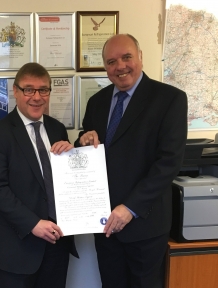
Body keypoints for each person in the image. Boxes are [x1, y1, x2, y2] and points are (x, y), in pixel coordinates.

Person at [75, 34, 187, 288]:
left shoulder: (170, 99)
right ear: (105, 67)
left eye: (127, 57)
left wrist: (130, 208)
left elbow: (168, 163)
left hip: (144, 224)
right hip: (105, 225)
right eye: (111, 61)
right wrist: (83, 139)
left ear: (140, 57)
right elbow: (88, 147)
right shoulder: (97, 102)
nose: (120, 66)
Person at [0, 62, 78, 288]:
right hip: (17, 247)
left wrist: (73, 158)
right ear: (15, 91)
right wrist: (33, 223)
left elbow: (62, 182)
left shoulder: (57, 129)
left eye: (43, 90)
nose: (37, 97)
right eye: (29, 89)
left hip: (57, 243)